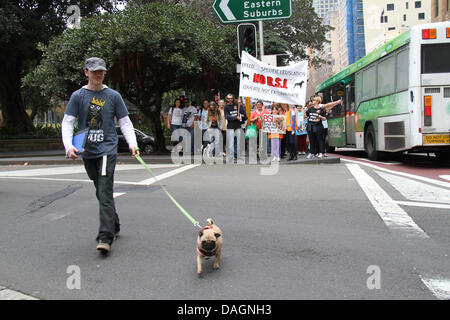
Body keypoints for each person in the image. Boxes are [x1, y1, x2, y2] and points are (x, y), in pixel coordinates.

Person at [61, 57, 139, 254]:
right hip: (86, 151)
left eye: (101, 71)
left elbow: (125, 122)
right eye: (94, 71)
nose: (98, 75)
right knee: (100, 190)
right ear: (86, 72)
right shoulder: (78, 96)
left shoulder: (113, 96)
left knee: (104, 190)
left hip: (107, 149)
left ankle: (105, 236)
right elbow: (68, 122)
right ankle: (114, 224)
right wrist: (69, 146)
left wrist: (132, 144)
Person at [224, 93, 247, 161]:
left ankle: (238, 155)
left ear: (233, 98)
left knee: (238, 142)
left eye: (231, 98)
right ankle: (231, 156)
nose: (230, 99)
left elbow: (245, 115)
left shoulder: (238, 105)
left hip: (238, 127)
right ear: (227, 99)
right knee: (231, 143)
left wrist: (241, 105)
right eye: (228, 98)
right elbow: (227, 116)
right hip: (230, 127)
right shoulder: (226, 107)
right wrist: (235, 117)